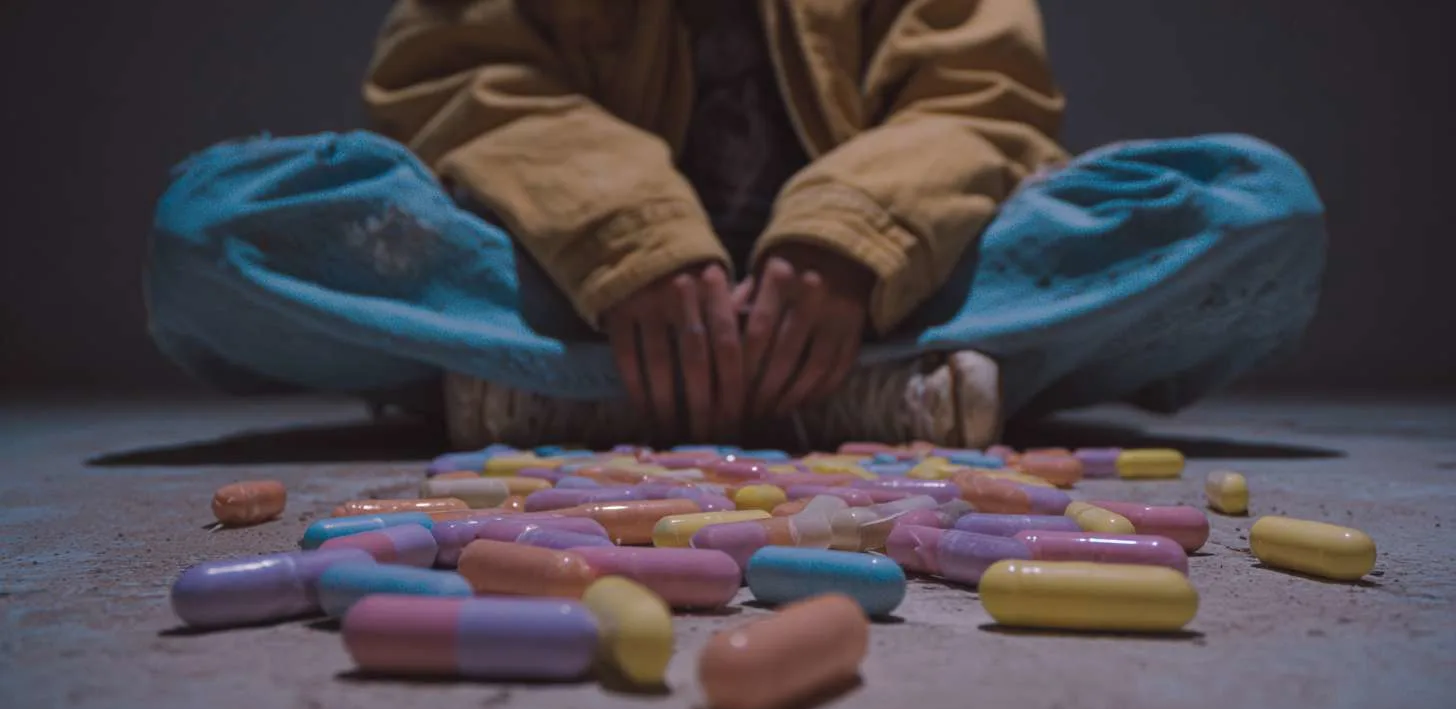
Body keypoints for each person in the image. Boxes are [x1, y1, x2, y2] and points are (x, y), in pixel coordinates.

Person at [146, 0, 1325, 450]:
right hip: (559, 283)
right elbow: (448, 74)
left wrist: (852, 238)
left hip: (892, 289)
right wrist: (622, 236)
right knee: (211, 223)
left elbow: (983, 100)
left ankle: (577, 400)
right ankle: (862, 403)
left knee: (1254, 206)